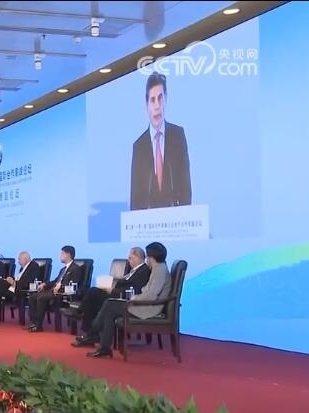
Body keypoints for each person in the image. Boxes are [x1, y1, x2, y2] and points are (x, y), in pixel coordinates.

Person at [85, 242, 173, 358]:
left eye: (147, 256)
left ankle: (96, 331)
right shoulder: (158, 268)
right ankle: (103, 345)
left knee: (110, 305)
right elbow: (147, 290)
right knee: (110, 306)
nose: (146, 259)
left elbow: (151, 295)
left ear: (151, 257)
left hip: (149, 308)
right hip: (144, 303)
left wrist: (134, 298)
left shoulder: (159, 271)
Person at [129, 72, 192, 211]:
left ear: (166, 99)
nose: (157, 106)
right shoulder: (139, 147)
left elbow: (186, 190)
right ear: (147, 105)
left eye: (160, 98)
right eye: (152, 100)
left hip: (176, 221)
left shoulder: (178, 136)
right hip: (149, 223)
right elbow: (135, 201)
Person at [67, 247, 151, 337]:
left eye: (130, 258)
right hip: (116, 294)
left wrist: (113, 291)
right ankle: (90, 333)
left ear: (138, 257)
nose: (129, 261)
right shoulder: (134, 270)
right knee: (92, 300)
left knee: (93, 293)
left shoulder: (143, 270)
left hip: (122, 298)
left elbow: (135, 289)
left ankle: (81, 314)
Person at [26, 246, 83, 333]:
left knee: (41, 297)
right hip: (53, 291)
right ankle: (34, 322)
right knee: (33, 296)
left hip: (62, 293)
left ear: (68, 255)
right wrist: (45, 284)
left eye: (62, 253)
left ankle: (38, 325)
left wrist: (61, 287)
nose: (60, 255)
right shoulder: (63, 269)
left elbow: (73, 283)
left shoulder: (76, 269)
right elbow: (56, 280)